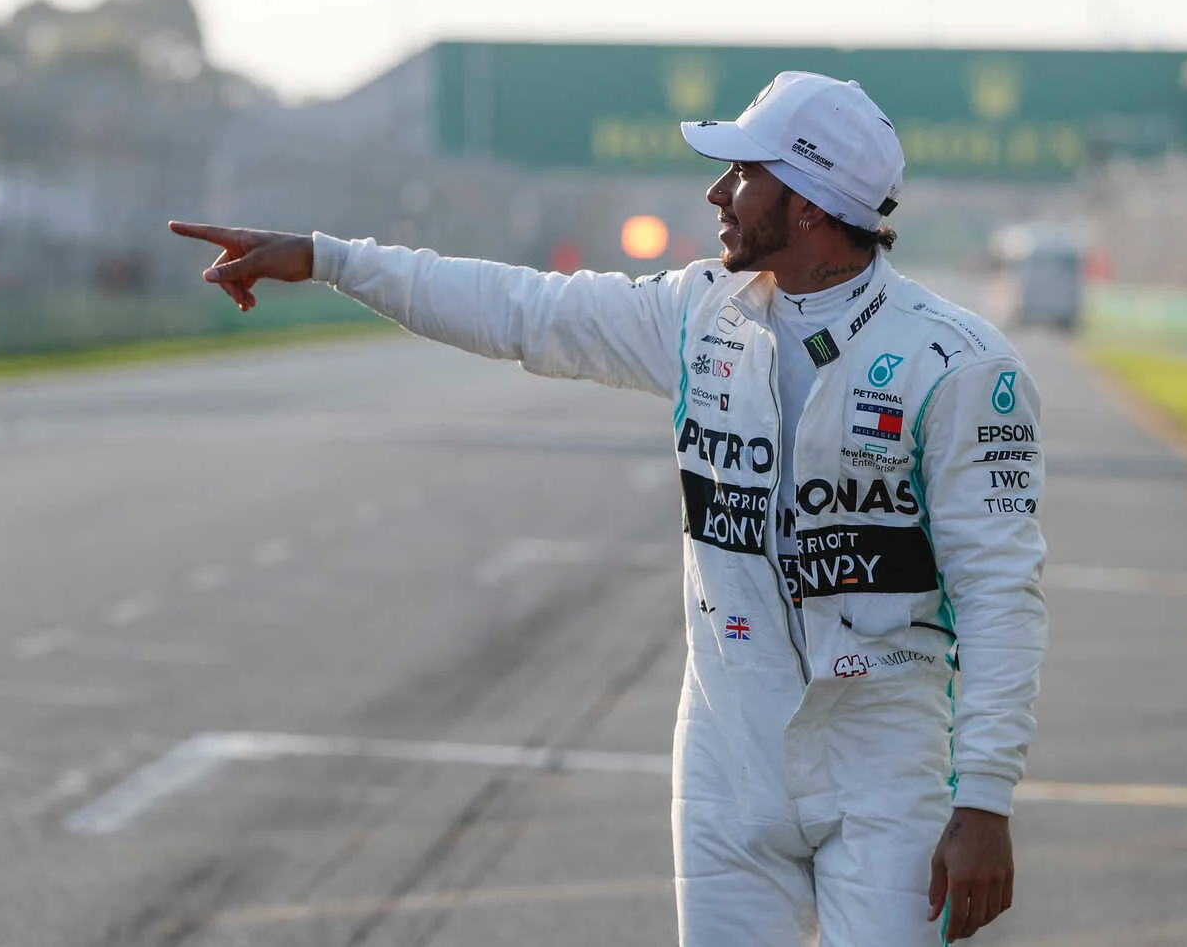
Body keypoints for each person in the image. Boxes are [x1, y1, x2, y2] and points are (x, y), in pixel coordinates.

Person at [170, 71, 1047, 946]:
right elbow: (521, 310)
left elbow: (1000, 591)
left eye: (743, 172)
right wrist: (329, 259)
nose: (717, 190)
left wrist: (986, 798)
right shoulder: (700, 313)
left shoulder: (960, 366)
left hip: (884, 768)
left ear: (811, 203)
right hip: (725, 759)